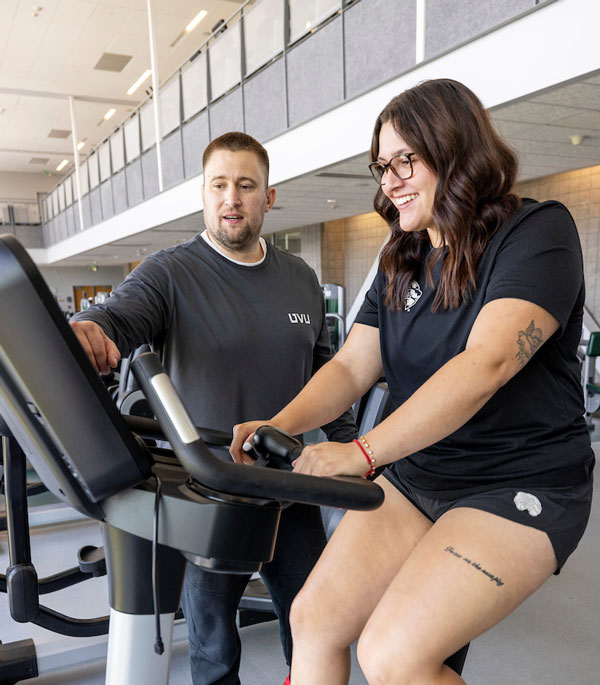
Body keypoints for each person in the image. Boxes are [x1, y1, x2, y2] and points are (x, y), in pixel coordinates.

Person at [231, 79, 595, 684]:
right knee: (313, 617)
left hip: (519, 483)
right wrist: (280, 424)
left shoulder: (536, 233)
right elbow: (351, 366)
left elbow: (488, 364)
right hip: (421, 474)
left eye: (407, 159)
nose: (390, 179)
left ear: (455, 150)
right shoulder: (403, 256)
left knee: (392, 654)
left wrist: (361, 452)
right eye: (382, 165)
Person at [70, 131, 357, 685]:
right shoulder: (169, 272)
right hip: (209, 497)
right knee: (213, 646)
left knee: (316, 627)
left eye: (246, 186)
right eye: (220, 185)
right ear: (202, 193)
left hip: (291, 489)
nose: (232, 199)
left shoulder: (300, 278)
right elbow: (120, 316)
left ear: (268, 197)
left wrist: (352, 449)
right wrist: (92, 330)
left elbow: (328, 374)